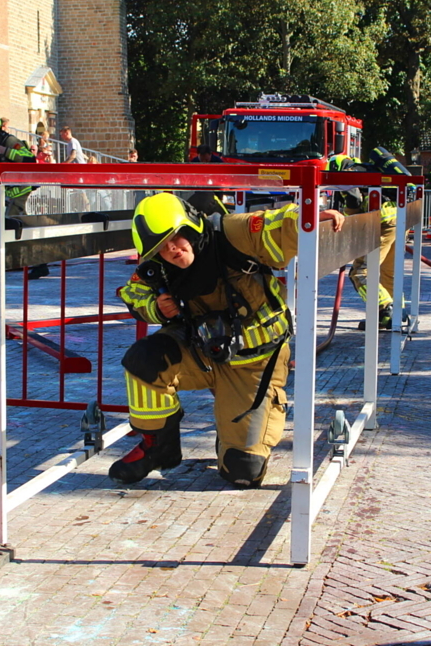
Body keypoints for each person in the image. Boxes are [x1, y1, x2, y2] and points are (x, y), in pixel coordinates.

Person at [108, 193, 345, 486]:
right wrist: (156, 308)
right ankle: (158, 448)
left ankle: (234, 432)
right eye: (161, 247)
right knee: (145, 359)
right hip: (202, 352)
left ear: (191, 226)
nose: (172, 250)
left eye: (175, 238)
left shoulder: (233, 233)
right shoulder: (158, 265)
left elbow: (275, 224)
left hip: (254, 363)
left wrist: (309, 219)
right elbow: (133, 293)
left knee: (244, 470)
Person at [328, 146, 404, 331]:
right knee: (389, 271)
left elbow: (354, 200)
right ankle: (397, 314)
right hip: (399, 218)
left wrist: (347, 219)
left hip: (380, 222)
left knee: (360, 272)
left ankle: (385, 309)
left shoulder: (346, 175)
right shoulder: (365, 168)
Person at [0, 111, 48, 277]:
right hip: (8, 192)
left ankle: (36, 262)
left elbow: (29, 159)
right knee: (17, 225)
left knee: (15, 224)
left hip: (20, 190)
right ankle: (31, 262)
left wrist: (7, 151)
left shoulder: (9, 141)